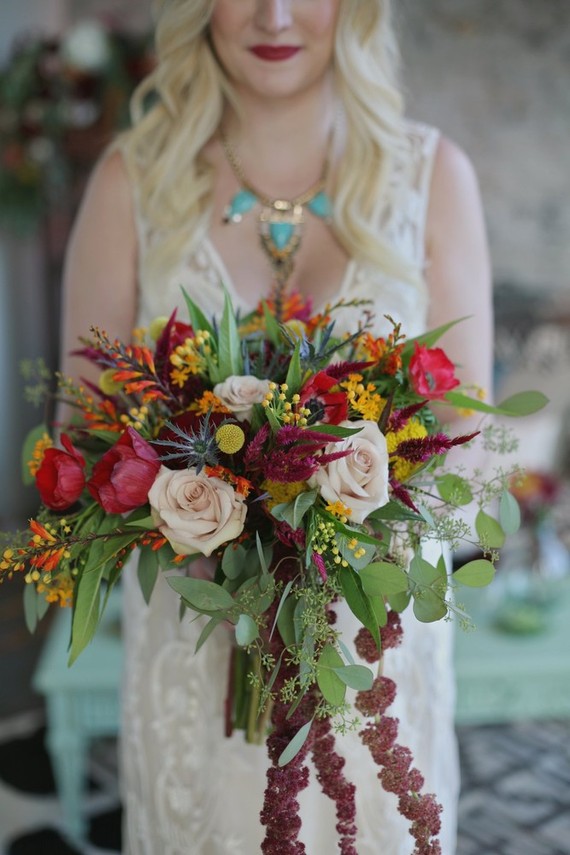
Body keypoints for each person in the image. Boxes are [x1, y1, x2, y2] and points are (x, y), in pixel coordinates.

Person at [60, 1, 492, 852]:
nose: (276, 15)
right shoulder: (129, 181)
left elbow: (472, 441)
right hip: (194, 656)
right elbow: (82, 435)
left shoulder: (434, 176)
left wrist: (343, 524)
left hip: (372, 657)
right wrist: (210, 518)